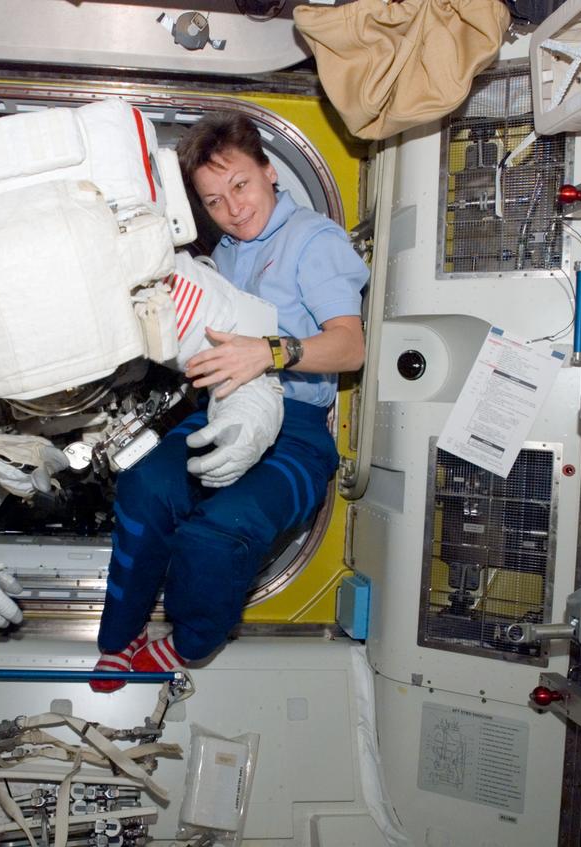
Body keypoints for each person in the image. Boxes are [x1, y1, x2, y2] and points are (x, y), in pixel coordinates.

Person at [92, 111, 369, 687]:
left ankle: (191, 643)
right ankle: (120, 636)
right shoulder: (221, 257)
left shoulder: (312, 240)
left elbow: (349, 348)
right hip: (221, 410)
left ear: (269, 172)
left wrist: (268, 353)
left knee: (218, 532)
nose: (233, 209)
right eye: (213, 201)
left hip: (294, 430)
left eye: (240, 185)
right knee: (144, 489)